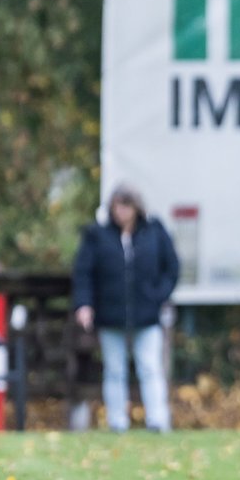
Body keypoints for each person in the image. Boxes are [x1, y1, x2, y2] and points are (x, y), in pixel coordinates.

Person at [71, 183, 179, 432]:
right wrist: (85, 305)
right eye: (117, 206)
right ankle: (117, 422)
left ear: (136, 207)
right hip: (111, 315)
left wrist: (157, 296)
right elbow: (84, 274)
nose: (121, 211)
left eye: (126, 205)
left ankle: (157, 420)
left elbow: (171, 268)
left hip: (146, 315)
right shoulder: (97, 235)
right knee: (114, 369)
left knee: (150, 367)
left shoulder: (154, 231)